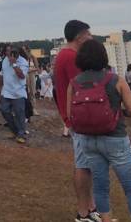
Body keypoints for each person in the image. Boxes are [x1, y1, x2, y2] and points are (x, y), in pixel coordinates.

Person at [68, 39, 131, 222]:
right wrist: (119, 111)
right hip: (115, 138)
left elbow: (69, 114)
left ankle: (104, 219)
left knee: (101, 188)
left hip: (88, 141)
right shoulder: (115, 79)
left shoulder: (74, 83)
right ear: (103, 56)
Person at [54, 19, 98, 222]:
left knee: (88, 165)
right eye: (89, 34)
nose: (91, 38)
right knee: (83, 165)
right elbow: (83, 87)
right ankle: (83, 213)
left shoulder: (65, 55)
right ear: (80, 36)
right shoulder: (71, 57)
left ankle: (91, 208)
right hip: (79, 118)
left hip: (76, 117)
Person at [0, 46, 29, 144]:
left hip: (18, 92)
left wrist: (14, 64)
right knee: (4, 110)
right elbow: (2, 75)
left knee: (19, 114)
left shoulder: (23, 62)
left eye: (10, 51)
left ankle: (21, 135)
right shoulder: (4, 61)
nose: (8, 53)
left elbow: (21, 76)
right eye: (7, 51)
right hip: (6, 91)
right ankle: (15, 131)